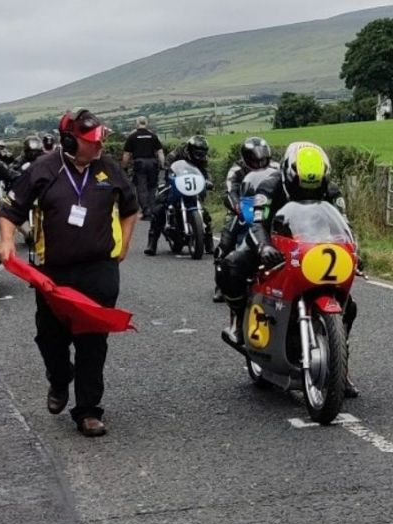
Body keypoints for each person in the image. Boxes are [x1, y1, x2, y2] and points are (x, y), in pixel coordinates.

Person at [0, 109, 139, 437]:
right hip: (53, 273)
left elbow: (131, 209)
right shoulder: (43, 169)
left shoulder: (109, 169)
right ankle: (60, 379)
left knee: (93, 340)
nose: (100, 144)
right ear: (69, 141)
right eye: (92, 141)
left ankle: (88, 410)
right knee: (51, 337)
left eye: (100, 138)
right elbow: (10, 210)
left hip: (99, 270)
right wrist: (6, 240)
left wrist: (125, 244)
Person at [216, 141, 358, 398]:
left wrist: (355, 250)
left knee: (351, 306)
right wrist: (264, 248)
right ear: (289, 175)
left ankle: (340, 366)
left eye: (315, 186)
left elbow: (344, 224)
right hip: (271, 240)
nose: (308, 191)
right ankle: (238, 320)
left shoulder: (333, 191)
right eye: (301, 185)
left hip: (312, 246)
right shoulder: (268, 187)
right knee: (231, 266)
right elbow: (256, 222)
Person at [212, 136, 277, 302]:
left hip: (269, 208)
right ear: (246, 159)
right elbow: (230, 191)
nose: (259, 163)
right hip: (243, 208)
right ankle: (221, 284)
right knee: (226, 238)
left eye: (263, 159)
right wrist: (236, 207)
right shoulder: (236, 170)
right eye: (255, 160)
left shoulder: (277, 168)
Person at [145, 135, 211, 255]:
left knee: (204, 212)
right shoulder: (175, 154)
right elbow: (164, 169)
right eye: (198, 153)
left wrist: (208, 181)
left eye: (203, 153)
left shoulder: (203, 158)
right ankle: (152, 243)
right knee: (159, 209)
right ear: (190, 149)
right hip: (175, 182)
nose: (200, 156)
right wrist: (162, 183)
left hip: (191, 185)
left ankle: (209, 243)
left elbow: (205, 172)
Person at [121, 116, 165, 220]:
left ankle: (146, 211)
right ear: (146, 123)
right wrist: (163, 165)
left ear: (137, 124)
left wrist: (124, 167)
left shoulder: (132, 136)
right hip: (152, 163)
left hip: (139, 163)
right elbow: (160, 152)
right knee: (152, 187)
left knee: (141, 188)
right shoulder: (153, 136)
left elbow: (126, 154)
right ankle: (153, 210)